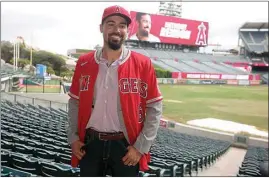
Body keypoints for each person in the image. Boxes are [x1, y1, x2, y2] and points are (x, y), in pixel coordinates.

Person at [67, 5, 163, 177]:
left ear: (127, 30)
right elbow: (74, 102)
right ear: (101, 28)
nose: (116, 29)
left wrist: (140, 147)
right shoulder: (83, 62)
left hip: (126, 147)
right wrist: (73, 138)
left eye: (122, 25)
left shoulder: (143, 63)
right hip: (90, 145)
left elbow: (155, 108)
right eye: (110, 24)